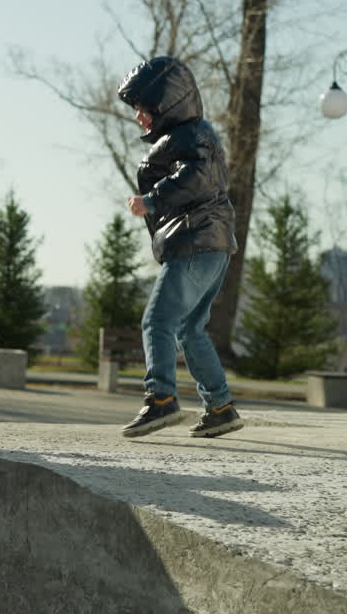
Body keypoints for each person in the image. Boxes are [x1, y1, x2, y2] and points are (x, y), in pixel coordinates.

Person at [116, 56, 244, 439]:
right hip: (211, 244)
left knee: (157, 321)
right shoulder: (190, 136)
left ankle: (161, 399)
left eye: (144, 109)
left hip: (196, 240)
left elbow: (197, 177)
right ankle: (220, 407)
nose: (139, 117)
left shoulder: (190, 136)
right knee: (190, 328)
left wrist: (151, 200)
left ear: (167, 105)